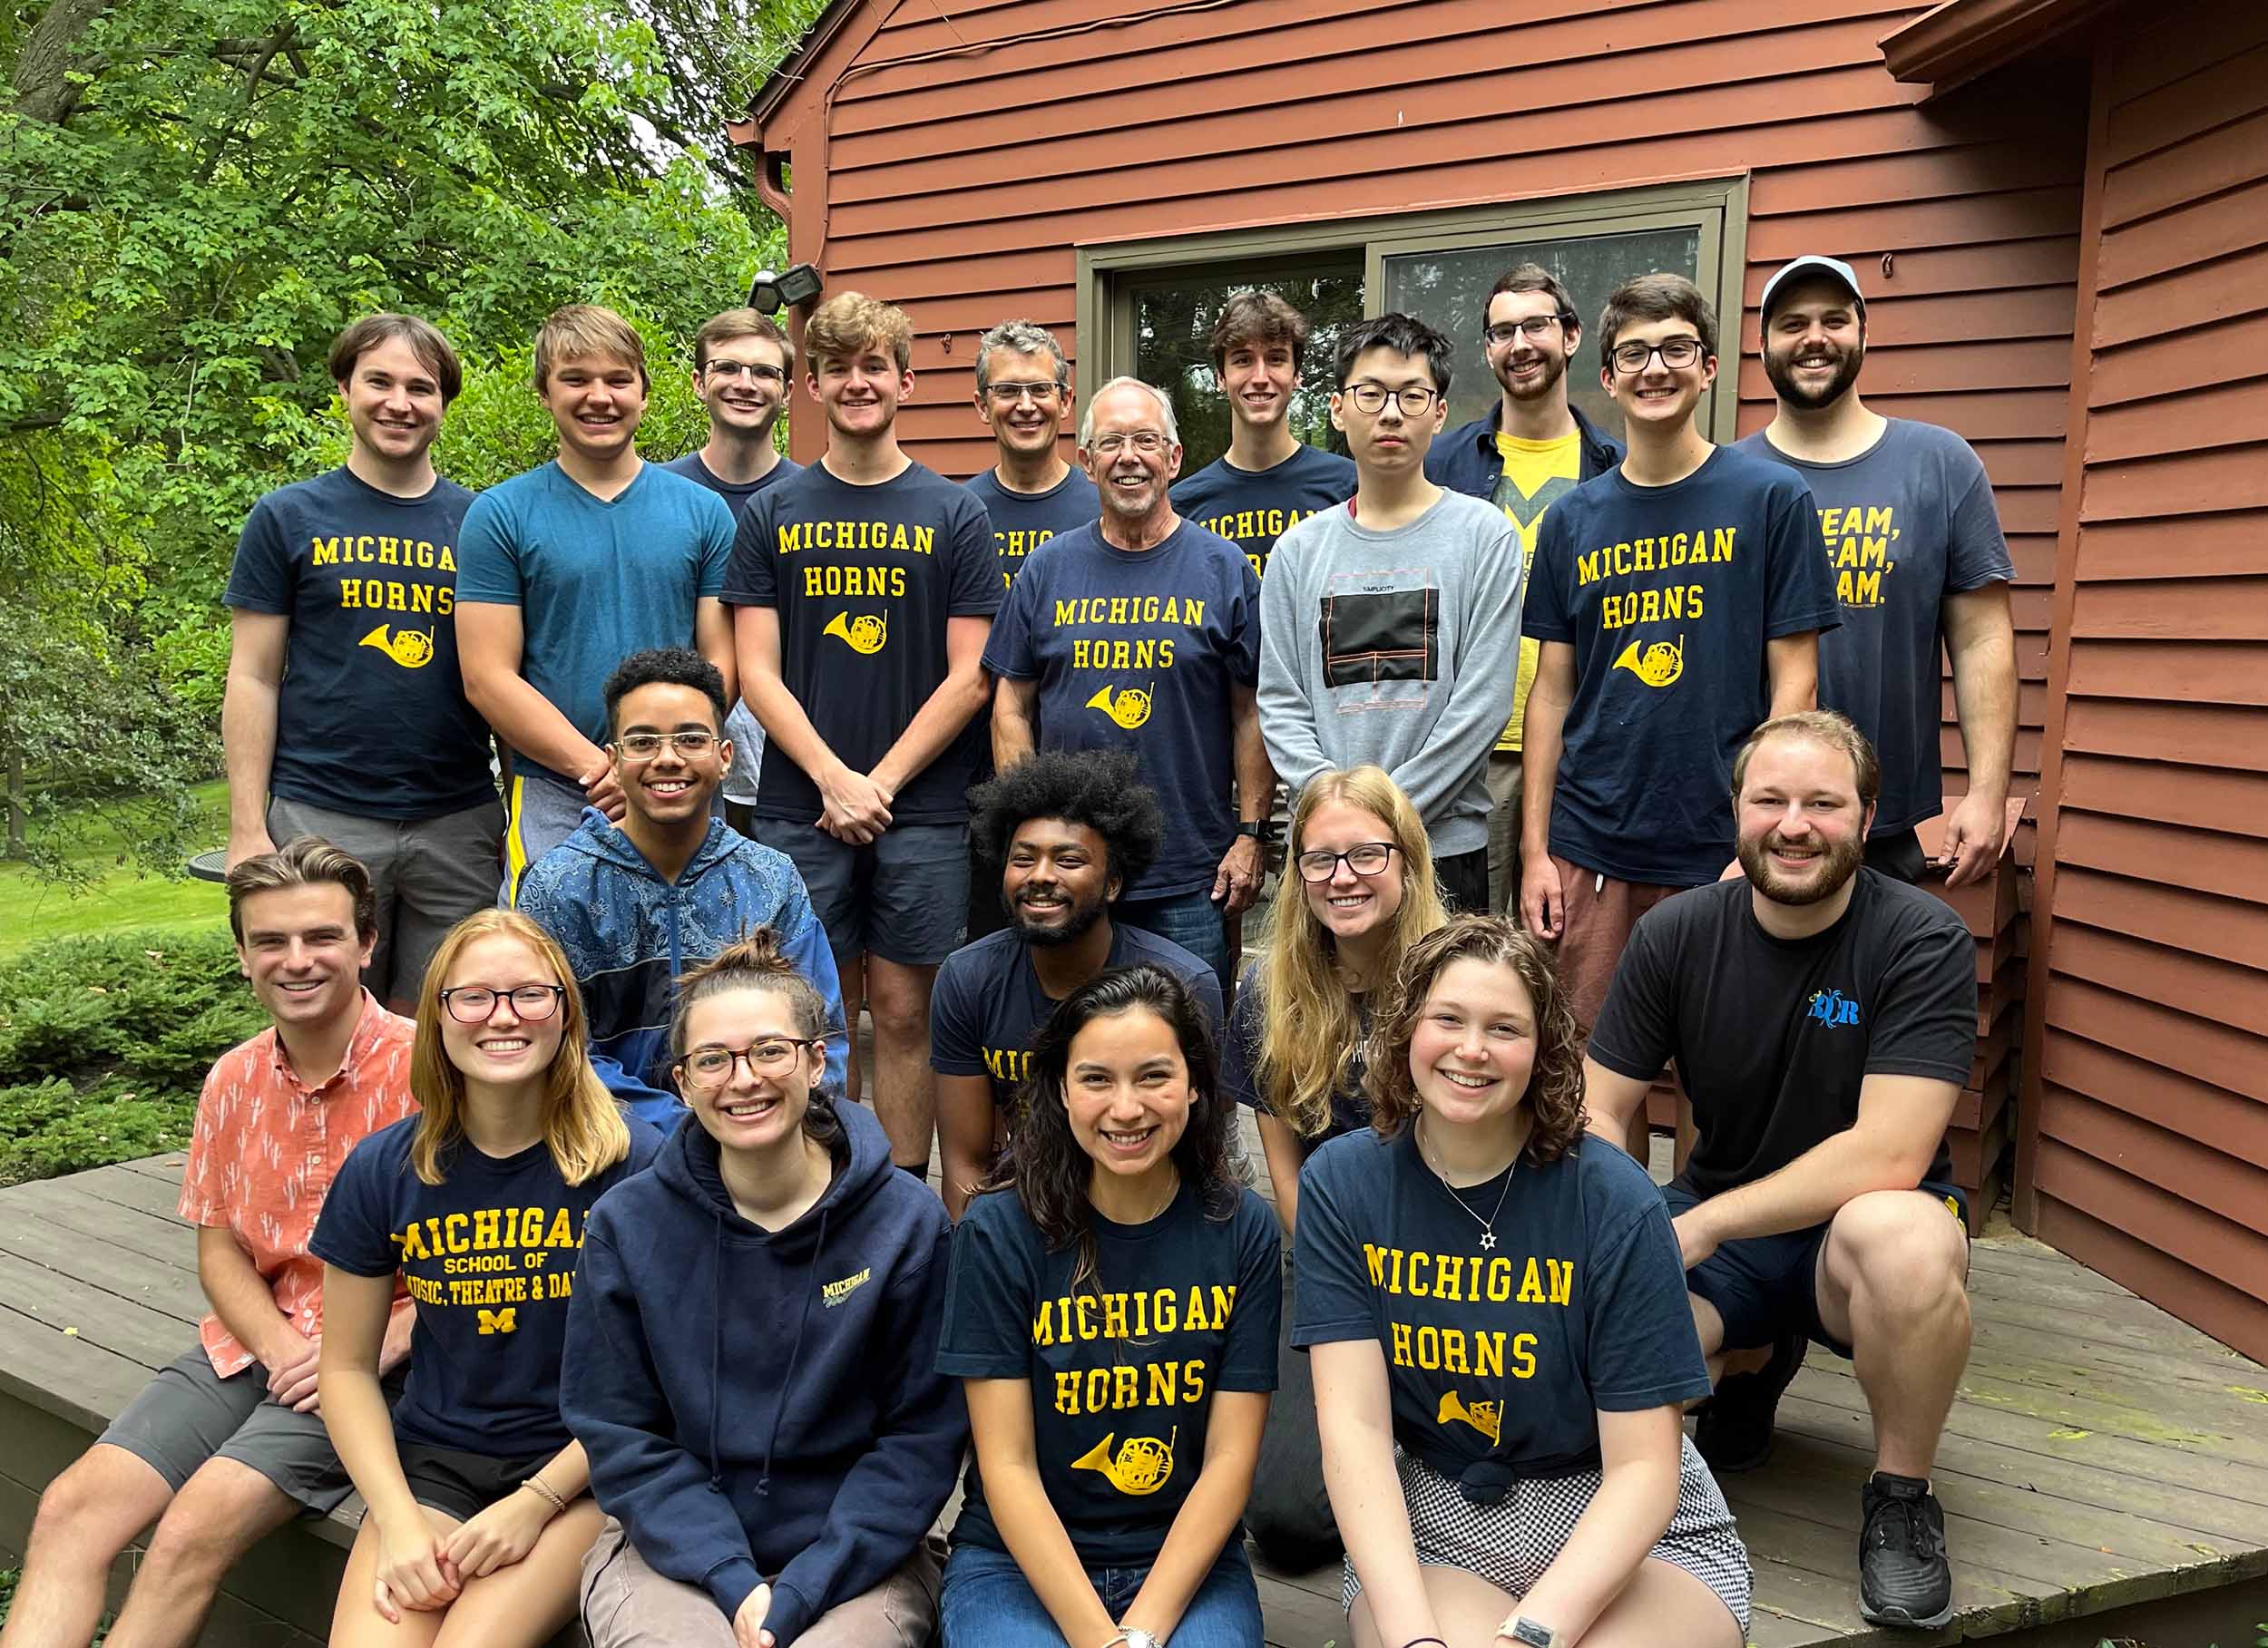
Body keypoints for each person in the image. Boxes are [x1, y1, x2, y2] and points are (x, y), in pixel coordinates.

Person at [1582, 711, 1977, 1631]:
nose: (1792, 824)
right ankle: (1750, 1359)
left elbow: (1890, 1151)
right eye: (1769, 799)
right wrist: (1638, 1217)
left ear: (1866, 815)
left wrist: (1708, 1223)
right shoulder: (1676, 933)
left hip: (1857, 1233)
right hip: (1721, 1222)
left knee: (1907, 1239)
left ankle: (1901, 1494)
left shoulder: (1921, 937)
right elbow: (1598, 1105)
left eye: (1822, 803)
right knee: (1615, 1340)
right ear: (1736, 813)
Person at [0, 841, 417, 1648]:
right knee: (70, 1507)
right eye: (270, 941)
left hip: (383, 1362)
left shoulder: (427, 1074)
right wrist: (280, 1342)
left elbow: (484, 1258)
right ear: (242, 956)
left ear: (367, 942)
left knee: (189, 1531)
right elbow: (220, 1246)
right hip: (253, 1345)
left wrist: (361, 1348)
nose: (296, 960)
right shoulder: (233, 1077)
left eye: (320, 936)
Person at [1298, 916, 1749, 1648]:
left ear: (1542, 1051)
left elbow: (1643, 1468)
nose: (1472, 1049)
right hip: (1437, 1518)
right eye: (1448, 1018)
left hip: (1621, 1515)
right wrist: (1413, 1640)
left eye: (1504, 1027)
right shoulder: (1343, 1184)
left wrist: (1531, 1635)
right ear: (1407, 1028)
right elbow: (1355, 1430)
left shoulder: (1614, 1199)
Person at [563, 931, 967, 1648]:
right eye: (713, 1060)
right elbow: (620, 1430)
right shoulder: (627, 1225)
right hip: (675, 1548)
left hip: (858, 1552)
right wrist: (728, 1572)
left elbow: (921, 1438)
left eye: (770, 1051)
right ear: (682, 1083)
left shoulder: (906, 1222)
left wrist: (807, 1586)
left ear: (817, 1061)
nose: (742, 1078)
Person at [1520, 272, 1837, 1156]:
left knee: (1719, 1069)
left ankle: (1699, 1253)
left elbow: (1795, 684)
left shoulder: (1770, 501)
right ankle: (1616, 1254)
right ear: (1608, 378)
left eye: (1672, 349)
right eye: (1633, 353)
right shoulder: (1572, 521)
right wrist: (1537, 848)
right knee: (1593, 1074)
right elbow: (1552, 689)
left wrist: (1761, 834)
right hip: (1594, 843)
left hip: (1716, 843)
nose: (1653, 367)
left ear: (1705, 368)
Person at [311, 910, 664, 1646]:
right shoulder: (384, 1169)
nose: (502, 1017)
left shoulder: (636, 1166)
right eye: (473, 996)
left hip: (583, 1472)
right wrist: (399, 1520)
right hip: (434, 1462)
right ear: (436, 1015)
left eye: (530, 995)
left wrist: (537, 1500)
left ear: (566, 1012)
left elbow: (669, 1376)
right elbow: (344, 1368)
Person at [725, 289, 1001, 1177]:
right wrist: (833, 779)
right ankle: (833, 1187)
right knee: (823, 1008)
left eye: (873, 366)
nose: (856, 383)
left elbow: (972, 674)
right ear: (810, 385)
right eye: (837, 368)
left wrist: (875, 780)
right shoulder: (773, 512)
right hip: (799, 806)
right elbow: (755, 671)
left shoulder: (954, 514)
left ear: (905, 380)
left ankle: (904, 1193)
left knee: (906, 1006)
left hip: (922, 805)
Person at [935, 966, 1281, 1648]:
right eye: (1097, 1079)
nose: (1127, 1108)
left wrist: (1142, 1630)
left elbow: (1229, 1463)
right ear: (1060, 1089)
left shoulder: (1243, 1230)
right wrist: (1103, 1640)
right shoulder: (998, 1232)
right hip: (1016, 1561)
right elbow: (1006, 1465)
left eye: (1154, 1075)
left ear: (1196, 1083)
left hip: (1183, 1558)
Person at [222, 314, 500, 1005]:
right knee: (325, 1010)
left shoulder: (486, 523)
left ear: (443, 404)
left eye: (420, 387)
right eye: (379, 381)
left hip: (458, 819)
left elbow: (507, 676)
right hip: (321, 814)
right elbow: (252, 676)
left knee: (449, 1021)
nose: (398, 402)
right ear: (344, 388)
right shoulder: (287, 517)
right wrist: (247, 827)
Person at [1221, 765, 1447, 1572]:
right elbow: (1280, 1153)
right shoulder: (1268, 988)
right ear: (1298, 872)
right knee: (1284, 1523)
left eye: (1366, 854)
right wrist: (1329, 1269)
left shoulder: (1458, 974)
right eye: (1320, 859)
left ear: (1408, 858)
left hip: (1456, 1255)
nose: (1342, 876)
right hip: (1324, 1254)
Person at [1734, 254, 2019, 887]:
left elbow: (1982, 640)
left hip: (1882, 827)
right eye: (1792, 323)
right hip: (1750, 826)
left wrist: (1988, 791)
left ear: (1865, 331)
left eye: (1834, 319)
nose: (1814, 338)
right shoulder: (1728, 481)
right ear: (1762, 344)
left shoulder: (1940, 465)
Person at [987, 376, 1270, 984]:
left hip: (1193, 871)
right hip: (1070, 870)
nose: (1129, 456)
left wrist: (1251, 833)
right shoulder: (1046, 567)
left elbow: (1251, 713)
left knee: (1193, 1044)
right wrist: (1032, 828)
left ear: (1173, 457)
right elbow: (1010, 705)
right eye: (1111, 442)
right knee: (1069, 1041)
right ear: (1087, 462)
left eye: (1146, 439)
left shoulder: (1224, 567)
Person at [456, 303, 738, 902]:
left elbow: (720, 659)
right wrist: (600, 767)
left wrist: (661, 758)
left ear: (643, 391)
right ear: (544, 393)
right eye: (576, 379)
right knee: (552, 974)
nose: (599, 397)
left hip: (681, 787)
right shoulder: (502, 515)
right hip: (559, 791)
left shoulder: (704, 513)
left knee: (690, 965)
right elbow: (487, 676)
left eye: (617, 379)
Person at [514, 647, 848, 1124]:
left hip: (755, 1130)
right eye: (643, 742)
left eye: (691, 739)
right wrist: (675, 1128)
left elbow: (823, 1032)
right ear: (614, 758)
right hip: (607, 1142)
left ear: (724, 756)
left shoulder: (770, 880)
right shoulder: (559, 888)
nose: (667, 759)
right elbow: (554, 1049)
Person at [1260, 313, 1520, 912]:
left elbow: (1482, 707)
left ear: (1440, 412)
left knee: (1442, 1008)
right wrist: (1340, 822)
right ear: (1336, 408)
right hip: (1328, 858)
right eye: (1371, 393)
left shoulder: (1484, 536)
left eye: (1412, 395)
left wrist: (1377, 821)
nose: (1391, 412)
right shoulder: (1297, 552)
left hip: (1444, 850)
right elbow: (1280, 703)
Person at [932, 747, 1223, 1218]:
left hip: (1148, 1204)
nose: (1041, 876)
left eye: (1068, 860)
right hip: (1021, 1204)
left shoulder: (1184, 984)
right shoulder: (967, 979)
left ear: (1112, 883)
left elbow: (1199, 1155)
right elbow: (966, 1163)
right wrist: (980, 1265)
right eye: (1023, 859)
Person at [1426, 267, 1626, 913]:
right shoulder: (1446, 465)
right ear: (1488, 349)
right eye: (1502, 331)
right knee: (1462, 942)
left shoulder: (1614, 470)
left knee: (1559, 945)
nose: (1520, 344)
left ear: (1570, 336)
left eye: (1536, 325)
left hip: (1580, 752)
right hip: (1468, 752)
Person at [961, 318, 1101, 940]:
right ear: (981, 403)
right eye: (1007, 390)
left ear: (1066, 401)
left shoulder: (1100, 506)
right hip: (976, 783)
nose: (1025, 405)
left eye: (1040, 389)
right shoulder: (957, 512)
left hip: (1091, 781)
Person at [665, 308, 807, 835]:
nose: (745, 384)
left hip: (788, 763)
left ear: (788, 392)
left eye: (765, 372)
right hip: (678, 758)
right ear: (700, 382)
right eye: (728, 368)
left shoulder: (811, 501)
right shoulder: (659, 494)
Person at [1169, 288, 1356, 583]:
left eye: (1276, 359)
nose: (1259, 378)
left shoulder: (1349, 488)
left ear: (1297, 375)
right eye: (1243, 360)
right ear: (1221, 377)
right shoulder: (1183, 505)